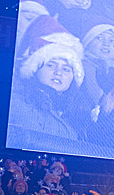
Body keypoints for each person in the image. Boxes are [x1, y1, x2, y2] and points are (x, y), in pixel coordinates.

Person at [7, 15, 92, 148]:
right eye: (51, 65)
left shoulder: (80, 114)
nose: (59, 72)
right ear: (36, 69)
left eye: (66, 69)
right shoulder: (16, 104)